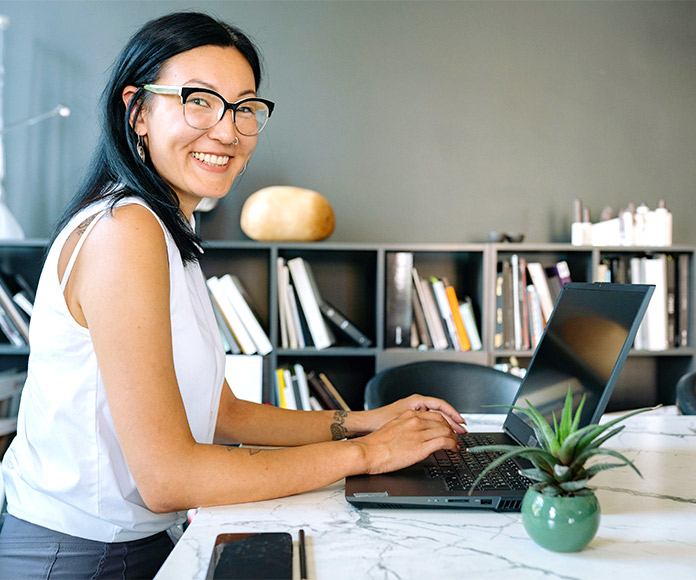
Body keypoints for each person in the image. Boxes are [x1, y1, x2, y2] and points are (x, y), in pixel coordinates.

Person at [0, 11, 465, 579]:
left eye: (245, 107)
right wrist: (371, 454)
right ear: (138, 111)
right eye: (200, 100)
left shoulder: (167, 227)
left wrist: (365, 421)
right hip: (79, 557)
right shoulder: (126, 231)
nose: (227, 130)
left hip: (134, 543)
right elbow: (170, 478)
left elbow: (224, 413)